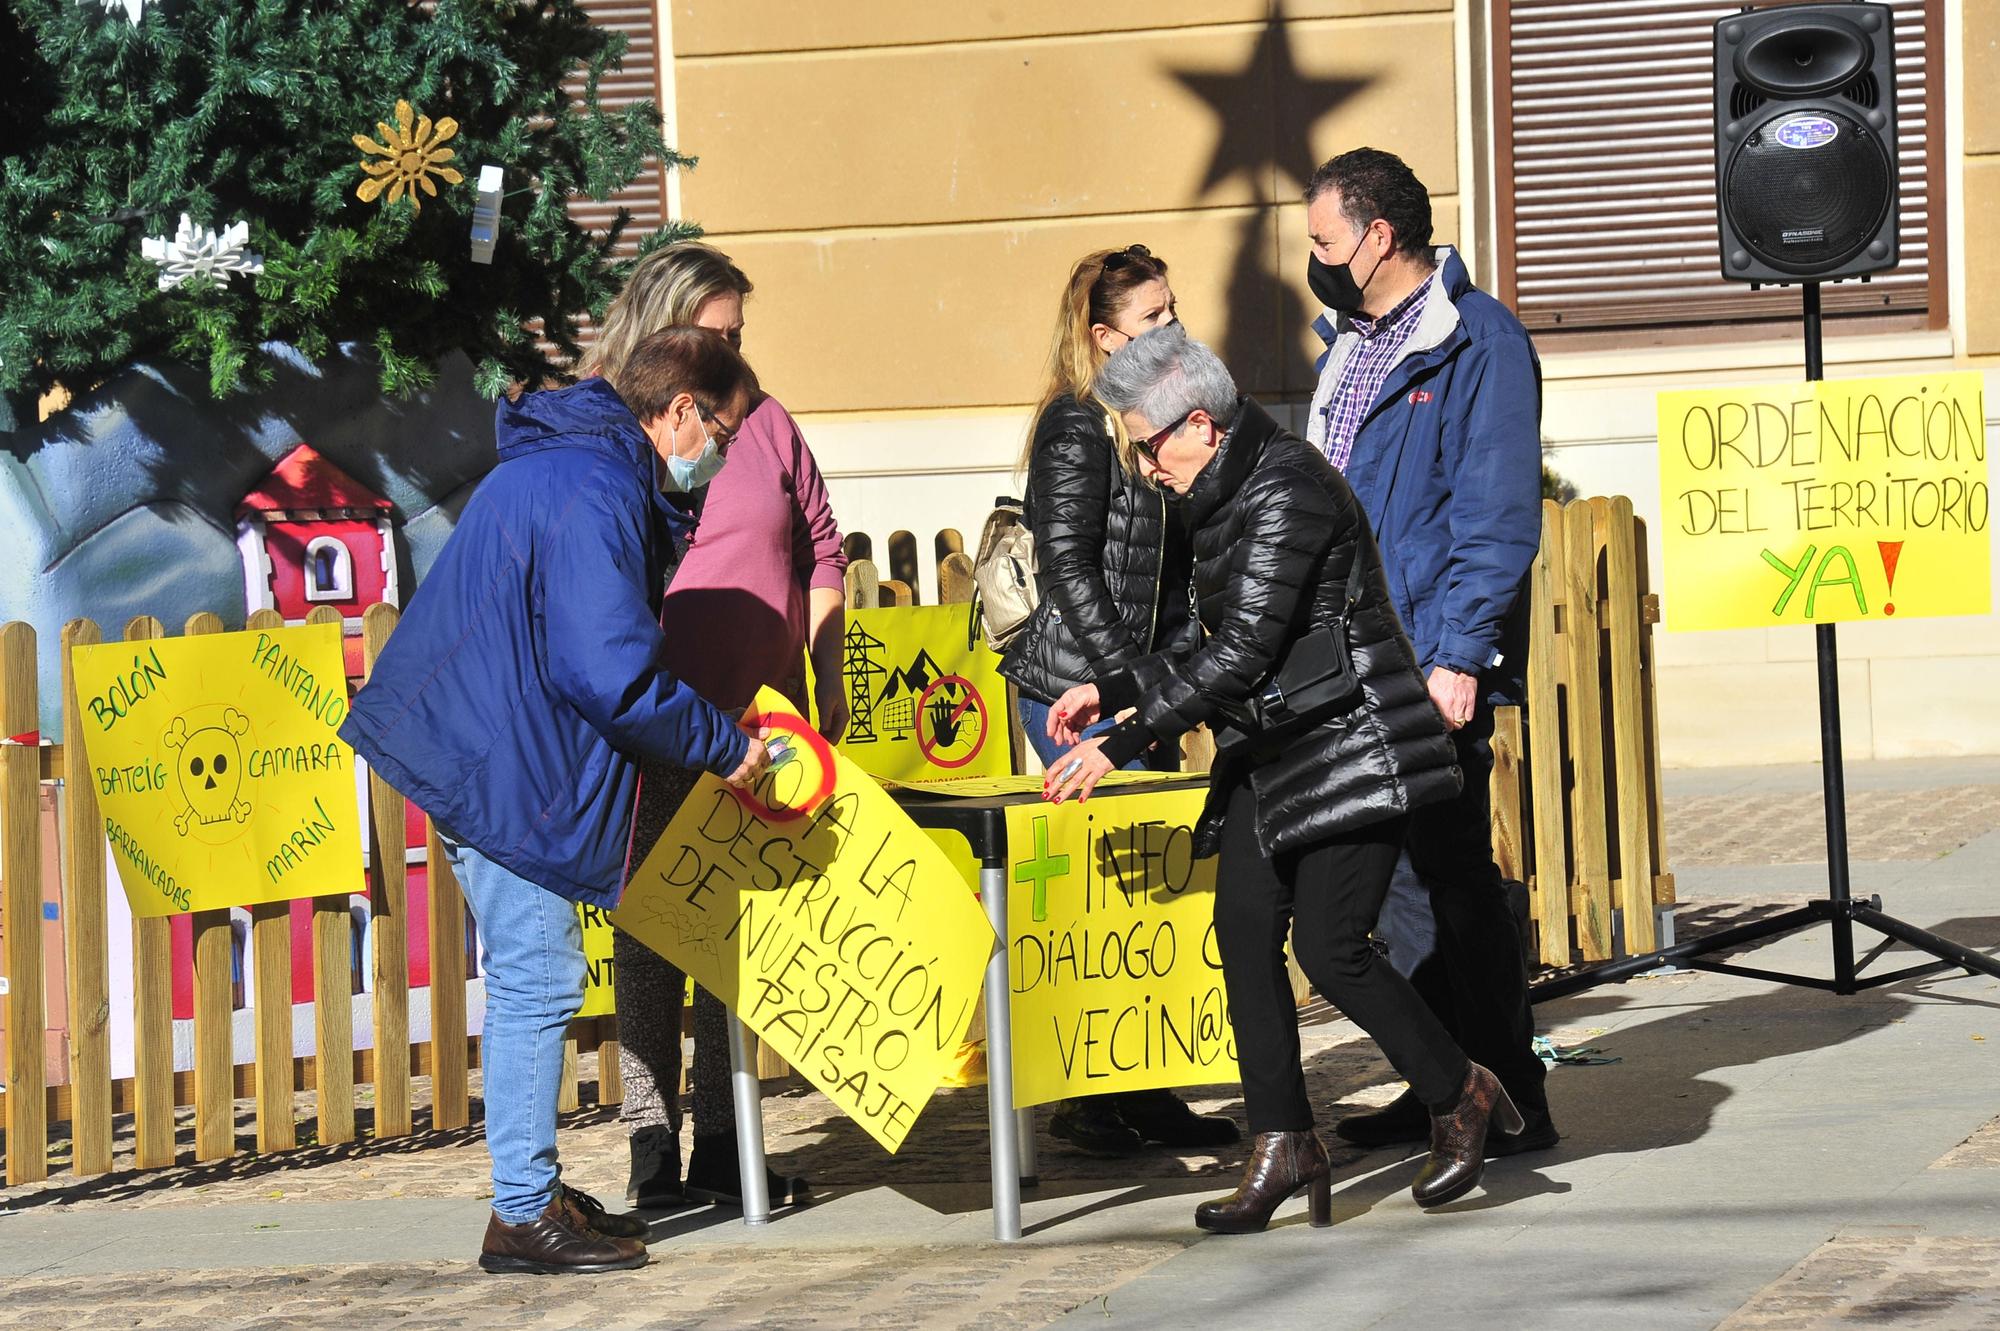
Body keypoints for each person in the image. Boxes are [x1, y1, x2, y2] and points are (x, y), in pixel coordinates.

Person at [1044, 325, 1525, 1233]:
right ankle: (1282, 1142)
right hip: (1276, 747)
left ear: (1201, 425)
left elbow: (1244, 649)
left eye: (1147, 445)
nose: (1143, 467)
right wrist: (1107, 687)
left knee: (1333, 948)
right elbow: (1201, 639)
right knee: (1242, 931)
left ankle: (1460, 1089)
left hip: (1353, 746)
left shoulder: (1288, 489)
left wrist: (1126, 738)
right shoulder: (1218, 495)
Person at [341, 327, 773, 1275]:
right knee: (540, 978)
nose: (726, 456)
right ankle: (522, 1212)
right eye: (727, 434)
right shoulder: (594, 487)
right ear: (682, 412)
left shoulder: (581, 469)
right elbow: (606, 669)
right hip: (501, 767)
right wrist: (723, 747)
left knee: (536, 975)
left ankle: (532, 1192)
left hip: (488, 753)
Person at [578, 242, 847, 1212]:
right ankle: (652, 1147)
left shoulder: (764, 421)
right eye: (715, 333)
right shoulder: (617, 428)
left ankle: (726, 1144)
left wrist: (822, 667)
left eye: (738, 334)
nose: (734, 351)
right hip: (656, 725)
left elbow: (822, 545)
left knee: (735, 937)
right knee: (652, 931)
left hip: (759, 728)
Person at [1298, 147, 1556, 1156]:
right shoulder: (1349, 346)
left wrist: (1458, 653)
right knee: (1401, 886)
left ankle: (1515, 1094)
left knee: (1450, 877)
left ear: (1376, 236)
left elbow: (1492, 515)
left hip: (1424, 661)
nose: (1313, 258)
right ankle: (1443, 1079)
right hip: (1353, 660)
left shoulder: (1475, 342)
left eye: (1324, 240)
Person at [999, 244, 1236, 1158]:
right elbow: (1067, 563)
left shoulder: (1161, 413)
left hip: (1130, 680)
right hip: (1075, 689)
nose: (1173, 329)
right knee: (1115, 896)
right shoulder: (1077, 425)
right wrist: (1123, 680)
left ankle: (1126, 1090)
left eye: (1175, 310)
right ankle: (1109, 1094)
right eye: (1152, 318)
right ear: (1103, 337)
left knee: (1139, 891)